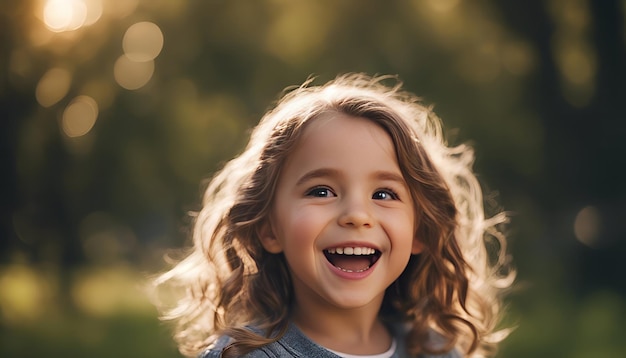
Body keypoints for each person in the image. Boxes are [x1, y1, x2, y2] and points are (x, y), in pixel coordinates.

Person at [152, 74, 514, 358]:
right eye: (321, 191)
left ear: (420, 229)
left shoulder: (439, 352)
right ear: (268, 228)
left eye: (384, 194)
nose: (357, 215)